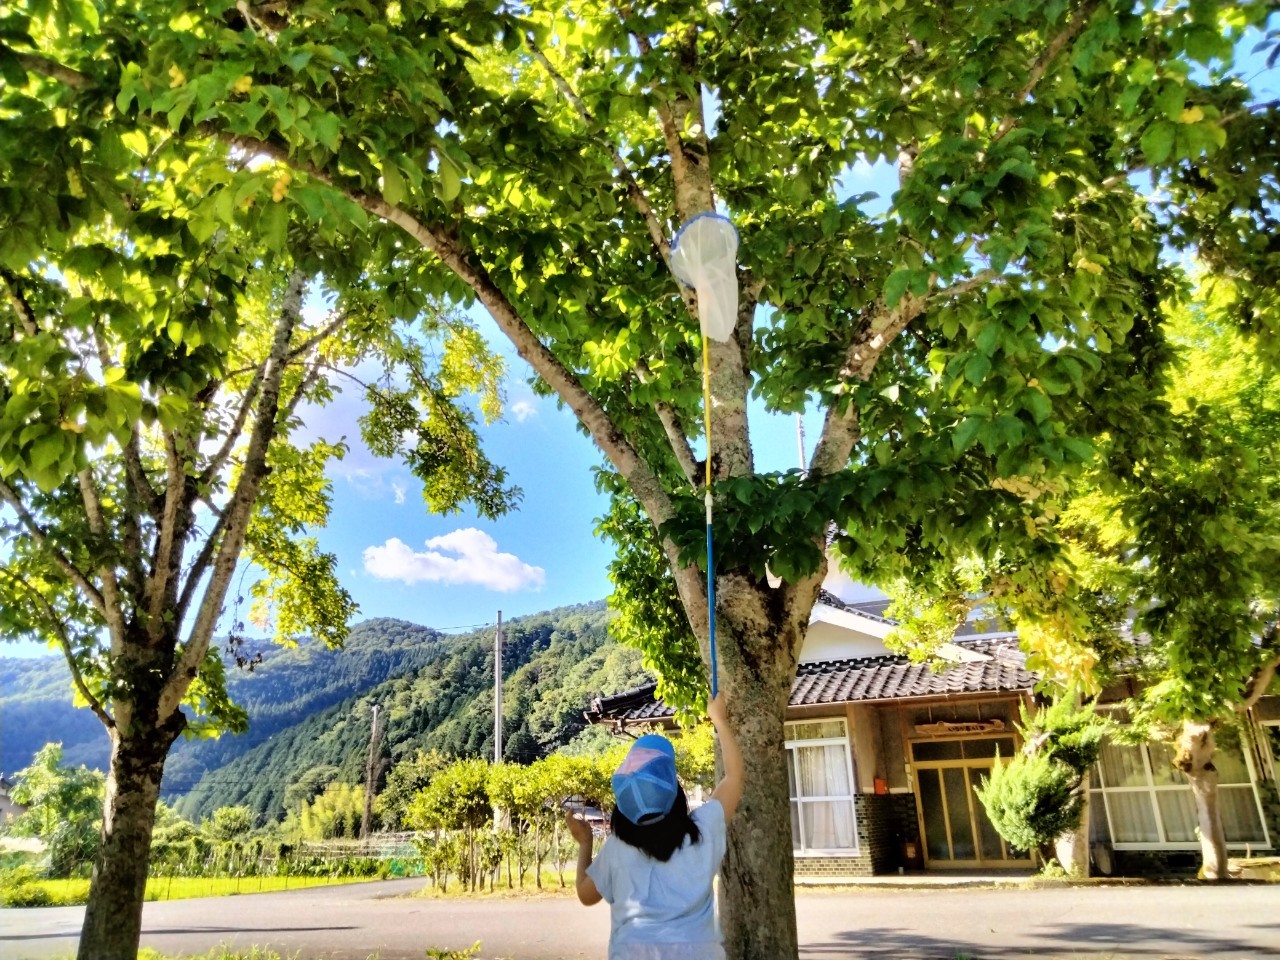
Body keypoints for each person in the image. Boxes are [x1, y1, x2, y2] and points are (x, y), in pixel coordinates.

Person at [566, 693, 744, 960]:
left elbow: (586, 894)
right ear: (674, 790)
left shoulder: (618, 849)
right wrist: (719, 719)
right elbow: (734, 777)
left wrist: (585, 842)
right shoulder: (701, 831)